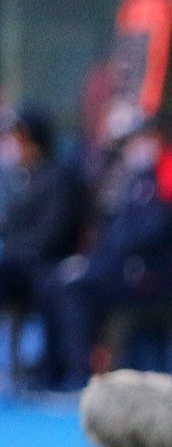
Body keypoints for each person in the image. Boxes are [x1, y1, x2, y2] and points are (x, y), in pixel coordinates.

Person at [43, 116, 172, 392]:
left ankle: (81, 375)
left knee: (76, 288)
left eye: (139, 139)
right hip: (121, 270)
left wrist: (102, 263)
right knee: (57, 281)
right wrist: (91, 262)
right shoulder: (135, 178)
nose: (133, 147)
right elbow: (112, 229)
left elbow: (151, 234)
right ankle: (57, 369)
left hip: (153, 278)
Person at [0, 106, 87, 387]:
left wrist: (10, 250)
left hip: (43, 266)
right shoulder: (15, 179)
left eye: (18, 138)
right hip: (15, 266)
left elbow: (50, 236)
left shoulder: (59, 178)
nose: (12, 146)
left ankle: (60, 372)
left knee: (54, 288)